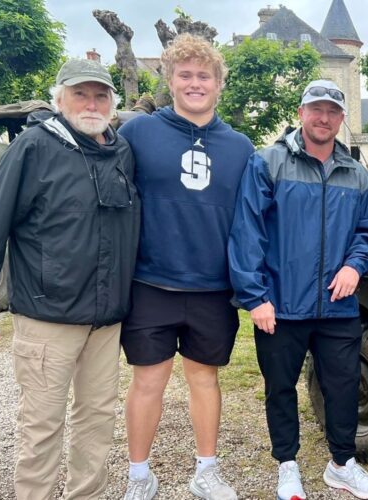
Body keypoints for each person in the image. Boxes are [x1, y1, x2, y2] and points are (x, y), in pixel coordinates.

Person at [0, 59, 140, 499]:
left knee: (97, 420)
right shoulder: (34, 147)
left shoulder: (121, 152)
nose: (91, 103)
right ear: (60, 98)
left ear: (113, 104)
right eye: (81, 94)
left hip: (105, 322)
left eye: (100, 95)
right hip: (47, 318)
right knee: (41, 426)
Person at [229, 80, 368, 500]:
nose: (324, 118)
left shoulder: (357, 175)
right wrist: (255, 296)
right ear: (301, 113)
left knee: (343, 385)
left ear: (341, 119)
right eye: (316, 109)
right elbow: (247, 232)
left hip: (337, 307)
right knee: (280, 387)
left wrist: (355, 264)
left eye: (333, 111)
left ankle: (342, 464)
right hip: (280, 305)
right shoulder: (268, 163)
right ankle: (288, 465)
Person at [117, 34, 254, 500]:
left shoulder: (241, 147)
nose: (195, 83)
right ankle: (139, 475)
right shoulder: (137, 133)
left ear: (219, 84)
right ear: (170, 79)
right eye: (186, 74)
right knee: (148, 380)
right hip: (150, 282)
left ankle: (207, 470)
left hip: (212, 287)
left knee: (204, 377)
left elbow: (252, 218)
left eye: (205, 76)